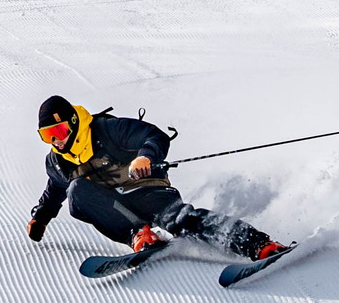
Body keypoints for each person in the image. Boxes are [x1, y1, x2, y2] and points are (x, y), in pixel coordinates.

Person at [27, 95, 289, 259]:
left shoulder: (106, 129)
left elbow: (154, 135)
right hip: (118, 207)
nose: (56, 140)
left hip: (145, 189)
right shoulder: (57, 160)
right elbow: (55, 189)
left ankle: (258, 245)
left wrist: (145, 157)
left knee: (180, 221)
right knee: (77, 192)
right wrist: (40, 216)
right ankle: (138, 235)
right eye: (47, 136)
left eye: (58, 130)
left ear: (73, 122)